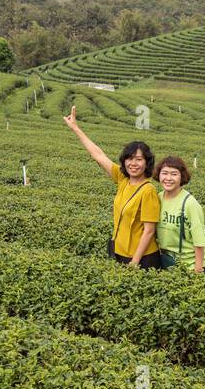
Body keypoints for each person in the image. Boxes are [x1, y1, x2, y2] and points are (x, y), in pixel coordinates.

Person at [63, 105, 161, 268]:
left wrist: (134, 262)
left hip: (142, 258)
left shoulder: (148, 190)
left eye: (138, 159)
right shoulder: (123, 178)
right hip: (119, 250)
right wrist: (75, 128)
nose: (133, 163)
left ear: (147, 162)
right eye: (129, 159)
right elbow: (98, 155)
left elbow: (149, 231)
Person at [154, 156, 205, 274]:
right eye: (164, 173)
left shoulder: (190, 204)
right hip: (170, 262)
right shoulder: (158, 198)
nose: (168, 178)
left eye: (174, 174)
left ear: (182, 177)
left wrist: (198, 269)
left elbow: (199, 241)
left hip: (193, 265)